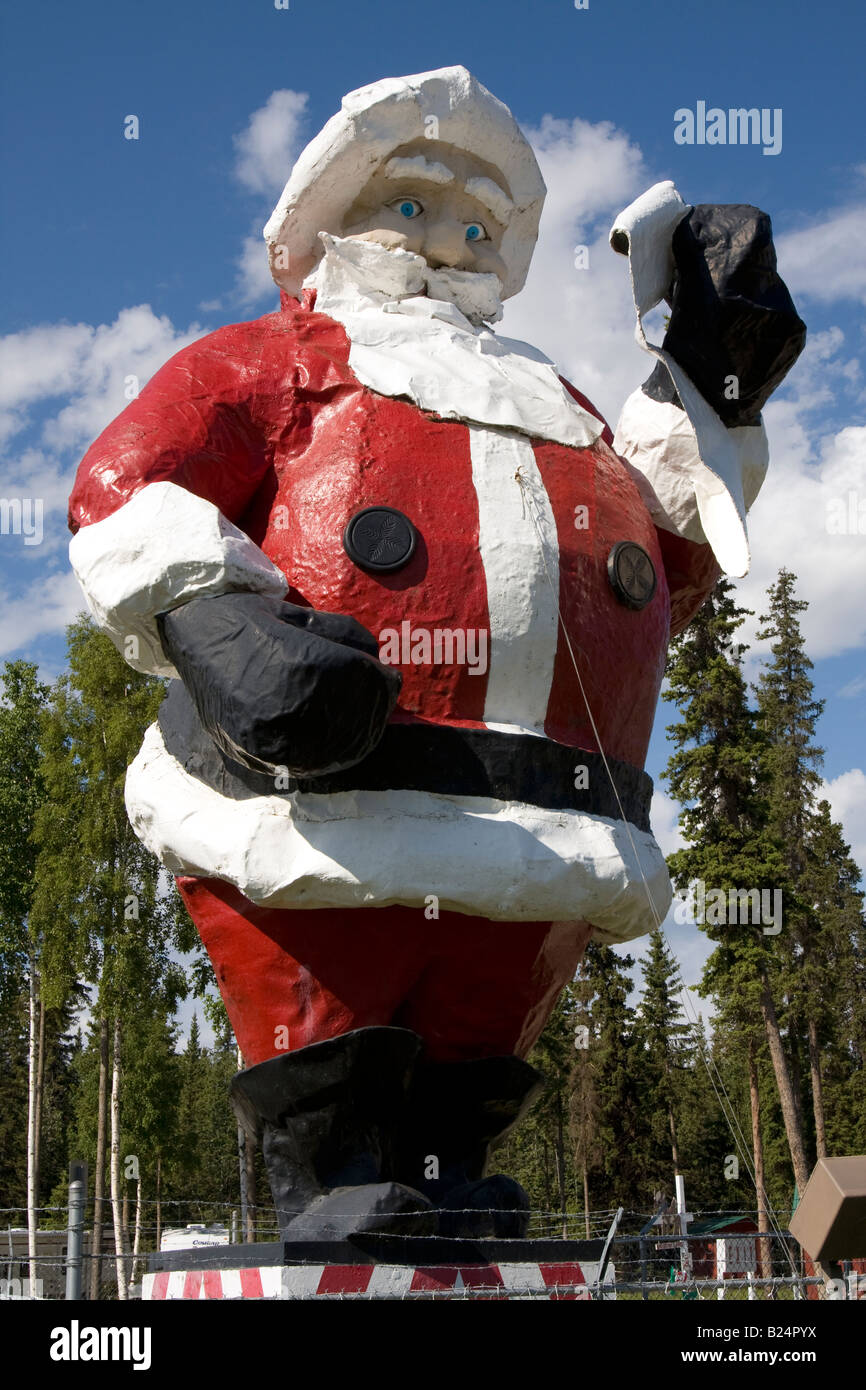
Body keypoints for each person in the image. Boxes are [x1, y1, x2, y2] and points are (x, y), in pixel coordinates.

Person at [67, 66, 804, 1240]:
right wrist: (214, 620)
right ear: (331, 221)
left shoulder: (556, 403)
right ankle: (329, 1163)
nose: (445, 242)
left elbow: (669, 564)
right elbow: (127, 481)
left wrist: (711, 385)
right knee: (338, 986)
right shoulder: (279, 361)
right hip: (330, 777)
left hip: (553, 803)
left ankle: (445, 1166)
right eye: (410, 208)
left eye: (472, 224)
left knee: (481, 1010)